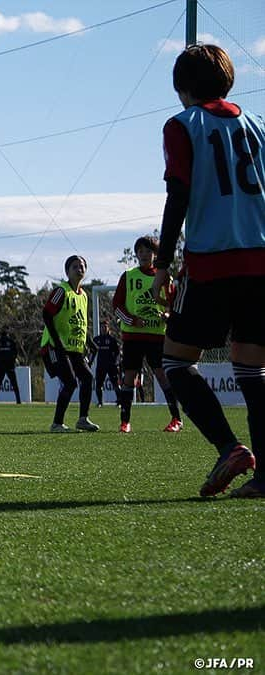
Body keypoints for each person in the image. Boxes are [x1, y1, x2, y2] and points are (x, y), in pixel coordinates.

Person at [152, 44, 265, 498]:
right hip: (261, 261)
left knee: (177, 361)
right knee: (253, 371)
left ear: (182, 88)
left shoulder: (181, 126)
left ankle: (229, 447)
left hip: (212, 262)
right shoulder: (257, 125)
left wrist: (162, 266)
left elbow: (177, 195)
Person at [113, 236, 183, 433]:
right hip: (133, 337)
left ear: (155, 254)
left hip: (157, 336)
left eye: (148, 251)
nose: (144, 254)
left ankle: (176, 419)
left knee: (162, 376)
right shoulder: (128, 275)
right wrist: (132, 320)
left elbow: (173, 304)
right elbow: (117, 306)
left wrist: (168, 315)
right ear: (136, 254)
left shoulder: (164, 277)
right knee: (129, 378)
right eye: (140, 251)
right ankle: (125, 421)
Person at [40, 255, 99, 433]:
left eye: (82, 266)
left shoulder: (84, 296)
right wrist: (57, 342)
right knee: (70, 382)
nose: (79, 269)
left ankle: (83, 419)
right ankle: (57, 423)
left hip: (75, 348)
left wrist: (90, 342)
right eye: (75, 266)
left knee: (88, 378)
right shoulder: (61, 291)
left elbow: (81, 321)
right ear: (67, 271)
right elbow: (46, 314)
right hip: (55, 347)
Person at [88, 320, 120, 407]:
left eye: (105, 327)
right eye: (102, 327)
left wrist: (117, 363)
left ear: (108, 328)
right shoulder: (96, 339)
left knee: (115, 384)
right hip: (100, 366)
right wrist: (89, 362)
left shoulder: (112, 340)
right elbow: (92, 352)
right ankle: (100, 402)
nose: (103, 329)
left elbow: (117, 353)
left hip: (111, 366)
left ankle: (119, 401)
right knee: (98, 384)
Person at [0, 328, 21, 404]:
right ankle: (18, 401)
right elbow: (15, 353)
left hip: (1, 365)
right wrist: (13, 360)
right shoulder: (11, 341)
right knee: (14, 384)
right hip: (10, 365)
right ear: (8, 334)